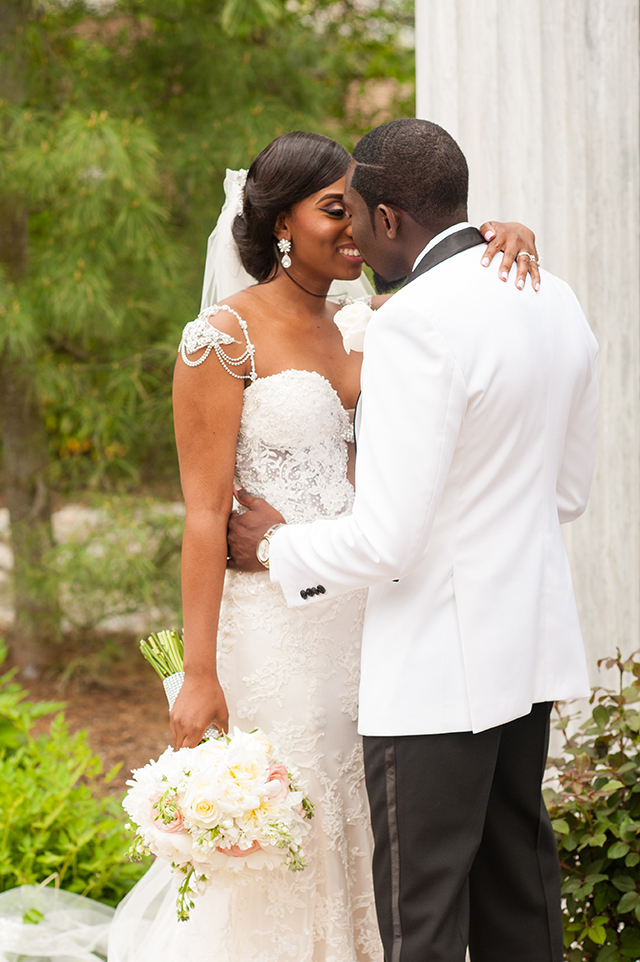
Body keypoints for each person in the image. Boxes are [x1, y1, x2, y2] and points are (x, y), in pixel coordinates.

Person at [227, 120, 599, 962]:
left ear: (389, 217)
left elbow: (388, 541)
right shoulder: (555, 296)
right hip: (526, 653)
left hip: (436, 671)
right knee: (518, 892)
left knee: (420, 917)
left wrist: (278, 547)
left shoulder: (414, 323)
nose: (352, 235)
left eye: (356, 213)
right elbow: (567, 495)